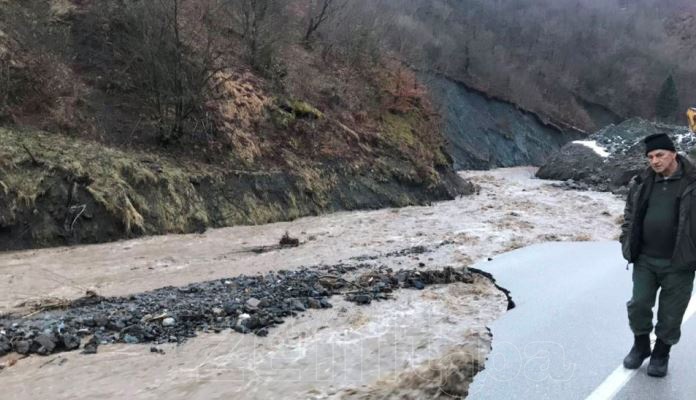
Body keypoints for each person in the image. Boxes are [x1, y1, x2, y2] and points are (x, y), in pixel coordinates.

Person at [619, 133, 696, 377]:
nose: (655, 161)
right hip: (645, 259)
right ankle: (641, 346)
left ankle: (661, 353)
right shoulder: (642, 182)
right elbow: (630, 214)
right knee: (639, 304)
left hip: (680, 262)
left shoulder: (692, 181)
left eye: (660, 155)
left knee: (671, 314)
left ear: (674, 153)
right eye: (651, 157)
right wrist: (626, 241)